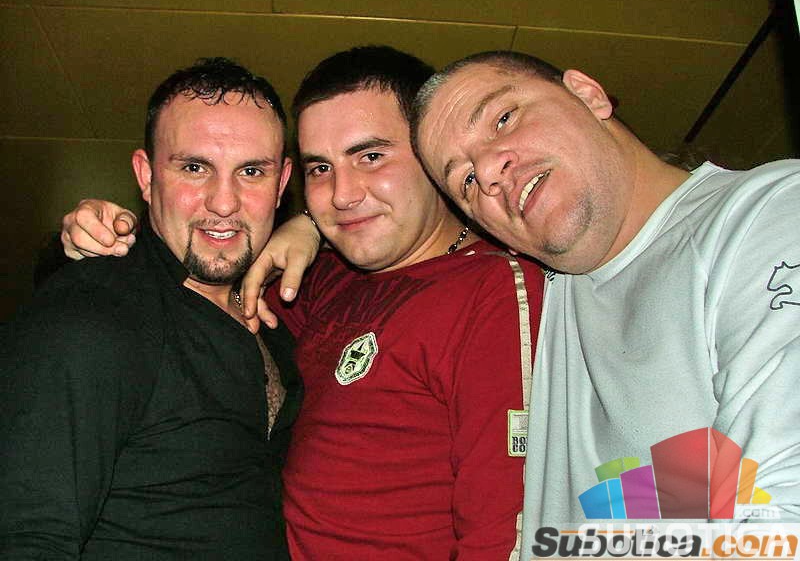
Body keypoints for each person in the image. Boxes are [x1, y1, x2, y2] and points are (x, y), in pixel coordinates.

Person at [58, 46, 546, 559]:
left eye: (371, 157)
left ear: (431, 153)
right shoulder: (323, 279)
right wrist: (111, 236)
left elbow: (508, 528)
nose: (341, 194)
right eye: (320, 168)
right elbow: (199, 291)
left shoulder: (495, 289)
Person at [411, 51, 800, 546]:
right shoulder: (528, 301)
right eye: (466, 181)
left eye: (503, 118)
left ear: (588, 94)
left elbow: (785, 508)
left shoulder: (764, 214)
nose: (488, 170)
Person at [1, 58, 302, 560]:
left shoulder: (275, 315)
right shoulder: (90, 313)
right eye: (194, 168)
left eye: (251, 171)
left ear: (282, 182)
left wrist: (311, 227)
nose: (223, 202)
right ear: (145, 176)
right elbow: (28, 536)